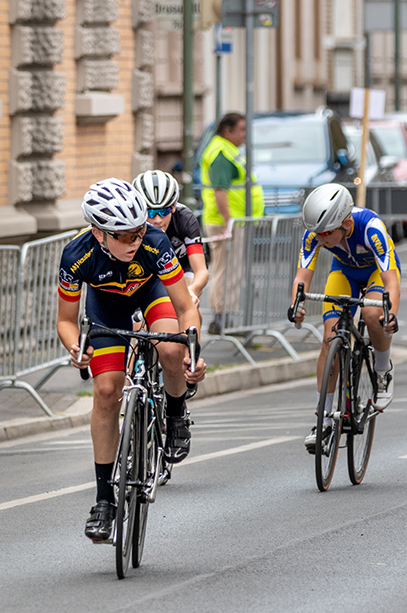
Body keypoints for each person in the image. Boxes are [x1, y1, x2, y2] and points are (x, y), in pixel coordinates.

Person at [57, 178, 207, 543]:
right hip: (107, 308)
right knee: (106, 392)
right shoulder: (76, 255)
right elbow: (64, 320)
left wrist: (194, 352)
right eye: (124, 236)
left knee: (170, 349)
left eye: (138, 231)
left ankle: (175, 415)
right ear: (98, 233)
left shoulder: (154, 245)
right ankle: (104, 501)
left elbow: (186, 307)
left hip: (152, 291)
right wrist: (77, 348)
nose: (135, 240)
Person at [288, 184, 401, 452]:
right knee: (330, 341)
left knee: (374, 314)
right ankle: (323, 420)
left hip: (376, 273)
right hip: (345, 273)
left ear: (346, 223)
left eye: (326, 233)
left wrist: (391, 313)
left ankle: (383, 370)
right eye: (317, 233)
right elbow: (302, 277)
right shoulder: (315, 233)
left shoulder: (371, 228)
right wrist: (295, 305)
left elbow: (391, 282)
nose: (320, 238)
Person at [200, 112, 265, 334]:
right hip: (226, 223)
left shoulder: (226, 150)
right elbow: (220, 191)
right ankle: (222, 318)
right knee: (227, 270)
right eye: (241, 130)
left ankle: (224, 318)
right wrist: (229, 222)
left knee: (227, 269)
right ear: (228, 131)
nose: (245, 135)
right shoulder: (221, 154)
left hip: (230, 221)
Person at [132, 170, 209, 309]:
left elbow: (201, 271)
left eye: (163, 211)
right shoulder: (132, 222)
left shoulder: (185, 219)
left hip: (182, 267)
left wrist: (191, 292)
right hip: (146, 270)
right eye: (150, 212)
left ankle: (191, 330)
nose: (157, 220)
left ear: (173, 207)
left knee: (187, 306)